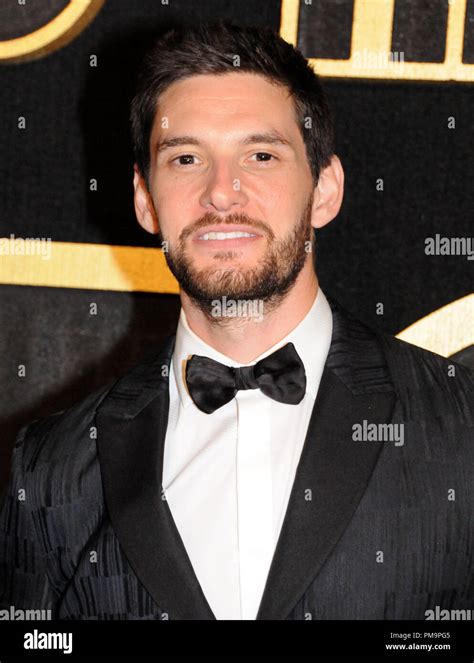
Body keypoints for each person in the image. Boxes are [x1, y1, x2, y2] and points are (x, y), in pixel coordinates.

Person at [1, 20, 472, 621]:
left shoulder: (461, 426)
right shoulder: (52, 466)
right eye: (187, 157)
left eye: (261, 154)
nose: (222, 192)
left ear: (324, 190)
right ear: (146, 200)